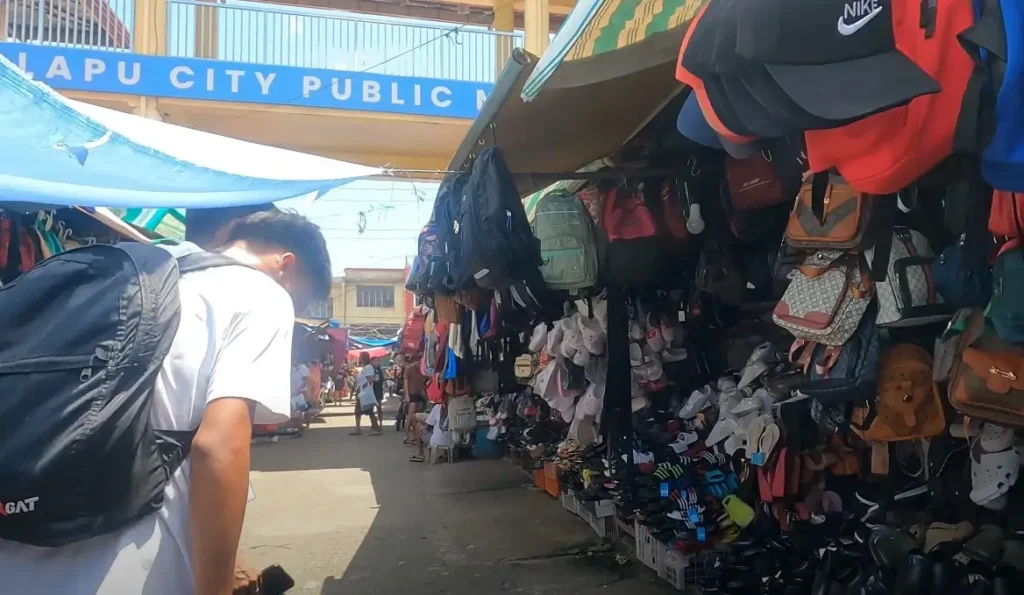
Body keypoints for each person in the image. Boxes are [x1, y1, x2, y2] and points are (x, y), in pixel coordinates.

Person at [0, 210, 333, 595]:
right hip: (126, 565)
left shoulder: (132, 270)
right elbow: (217, 446)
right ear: (285, 265)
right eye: (299, 294)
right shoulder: (259, 291)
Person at [351, 352, 382, 436]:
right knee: (360, 410)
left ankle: (375, 428)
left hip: (365, 392)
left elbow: (370, 380)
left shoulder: (368, 368)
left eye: (360, 357)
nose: (359, 359)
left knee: (368, 410)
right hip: (363, 392)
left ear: (363, 358)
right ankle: (359, 428)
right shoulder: (365, 367)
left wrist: (361, 388)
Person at [403, 357, 428, 446]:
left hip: (420, 394)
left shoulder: (423, 369)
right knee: (411, 415)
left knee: (418, 415)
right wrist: (407, 396)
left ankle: (416, 436)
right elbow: (405, 382)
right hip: (412, 394)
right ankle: (406, 436)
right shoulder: (409, 368)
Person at [371, 356, 385, 420]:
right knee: (370, 409)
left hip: (378, 391)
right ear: (371, 362)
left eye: (377, 361)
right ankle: (373, 423)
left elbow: (382, 379)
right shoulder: (369, 370)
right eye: (374, 361)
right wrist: (373, 380)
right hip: (371, 391)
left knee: (379, 407)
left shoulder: (380, 370)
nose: (376, 363)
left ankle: (380, 422)